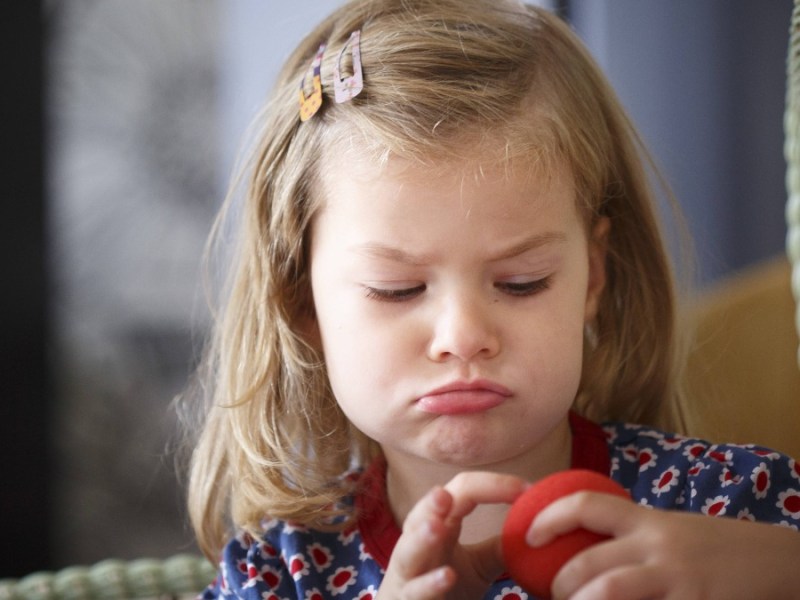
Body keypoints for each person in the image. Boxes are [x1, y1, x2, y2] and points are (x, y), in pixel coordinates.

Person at [186, 0, 800, 598]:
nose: (463, 334)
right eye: (396, 290)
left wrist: (781, 570)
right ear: (304, 305)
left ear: (593, 276)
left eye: (521, 281)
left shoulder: (725, 509)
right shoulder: (277, 575)